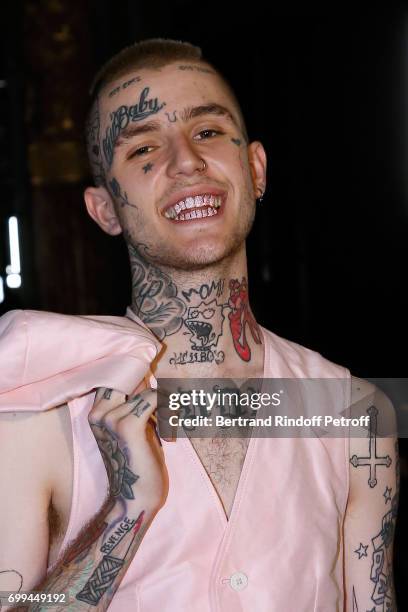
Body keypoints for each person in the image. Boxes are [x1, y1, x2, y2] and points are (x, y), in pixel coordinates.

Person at [0, 38, 398, 611]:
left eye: (207, 133)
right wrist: (123, 515)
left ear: (255, 168)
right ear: (105, 209)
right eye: (143, 150)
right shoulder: (37, 409)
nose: (186, 161)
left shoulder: (355, 414)